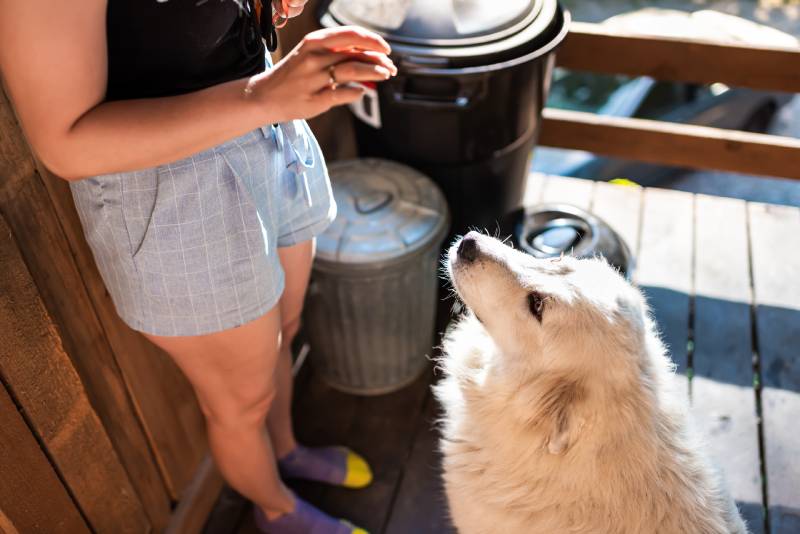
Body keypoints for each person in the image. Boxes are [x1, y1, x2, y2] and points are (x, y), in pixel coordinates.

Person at [0, 1, 397, 532]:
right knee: (241, 403)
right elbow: (65, 142)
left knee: (286, 327)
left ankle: (285, 449)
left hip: (266, 132)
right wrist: (260, 98)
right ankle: (275, 509)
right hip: (173, 189)